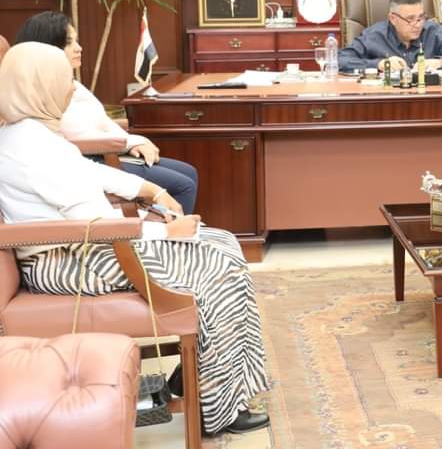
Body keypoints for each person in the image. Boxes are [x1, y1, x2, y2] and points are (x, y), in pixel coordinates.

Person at [0, 42, 270, 435]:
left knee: (222, 243)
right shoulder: (30, 146)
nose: (71, 88)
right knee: (218, 267)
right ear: (38, 86)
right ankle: (217, 407)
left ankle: (199, 380)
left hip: (84, 248)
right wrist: (162, 229)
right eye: (64, 80)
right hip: (73, 260)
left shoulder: (28, 133)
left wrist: (149, 190)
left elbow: (89, 174)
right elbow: (92, 220)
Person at [14, 11, 199, 215]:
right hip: (92, 158)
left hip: (108, 150)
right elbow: (76, 132)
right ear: (47, 48)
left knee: (189, 173)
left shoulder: (71, 82)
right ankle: (174, 232)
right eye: (69, 42)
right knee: (183, 185)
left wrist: (133, 142)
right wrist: (128, 144)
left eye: (76, 40)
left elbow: (102, 121)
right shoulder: (44, 91)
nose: (79, 48)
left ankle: (171, 225)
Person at [338, 0, 442, 73]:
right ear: (393, 18)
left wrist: (439, 62)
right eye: (410, 19)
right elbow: (340, 60)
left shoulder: (432, 31)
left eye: (421, 17)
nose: (418, 25)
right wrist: (379, 64)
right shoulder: (374, 36)